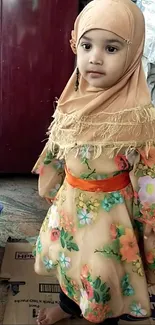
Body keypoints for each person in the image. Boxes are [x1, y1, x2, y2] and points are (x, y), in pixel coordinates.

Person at [32, 0, 155, 324]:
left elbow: (148, 174)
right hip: (71, 205)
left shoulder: (139, 118)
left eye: (111, 48)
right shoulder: (72, 99)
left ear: (132, 55)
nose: (95, 57)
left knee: (104, 275)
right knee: (69, 259)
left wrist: (148, 219)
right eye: (86, 45)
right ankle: (68, 306)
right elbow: (57, 149)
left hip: (111, 218)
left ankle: (106, 317)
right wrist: (51, 182)